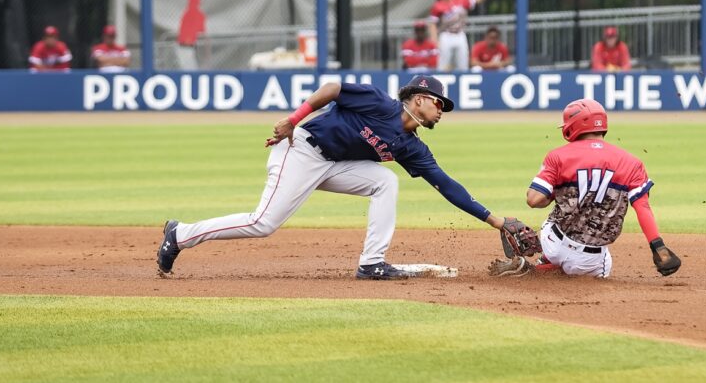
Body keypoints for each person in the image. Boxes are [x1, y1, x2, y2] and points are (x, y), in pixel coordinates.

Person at [157, 75, 528, 280]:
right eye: (438, 103)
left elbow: (446, 184)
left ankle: (372, 263)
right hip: (301, 150)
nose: (442, 111)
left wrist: (494, 220)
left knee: (386, 181)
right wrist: (293, 118)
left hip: (334, 165)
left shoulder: (412, 147)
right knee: (263, 222)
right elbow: (333, 88)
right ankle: (181, 233)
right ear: (417, 98)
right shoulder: (379, 103)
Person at [488, 99, 680, 279]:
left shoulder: (558, 156)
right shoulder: (632, 162)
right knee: (604, 264)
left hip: (551, 240)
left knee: (556, 214)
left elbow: (534, 199)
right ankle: (539, 270)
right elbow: (643, 207)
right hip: (588, 261)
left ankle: (543, 263)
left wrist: (560, 189)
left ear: (573, 126)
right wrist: (658, 245)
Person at [428, 0, 501, 72]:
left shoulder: (461, 1)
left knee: (463, 66)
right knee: (443, 66)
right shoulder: (437, 5)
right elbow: (432, 24)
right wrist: (435, 41)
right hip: (446, 35)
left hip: (460, 34)